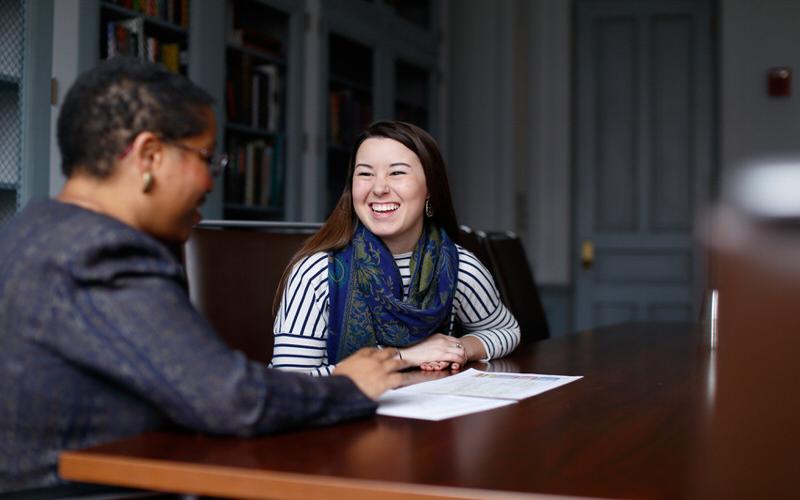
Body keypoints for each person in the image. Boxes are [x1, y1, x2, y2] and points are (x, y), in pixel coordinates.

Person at [0, 58, 407, 494]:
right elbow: (231, 400)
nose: (212, 181)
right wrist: (350, 386)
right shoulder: (100, 253)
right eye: (207, 158)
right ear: (149, 156)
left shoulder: (35, 228)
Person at [270, 121, 520, 376]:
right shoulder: (318, 272)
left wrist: (459, 348)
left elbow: (506, 331)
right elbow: (289, 384)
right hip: (344, 414)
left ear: (429, 188)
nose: (379, 188)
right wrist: (403, 357)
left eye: (397, 173)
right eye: (365, 174)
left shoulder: (458, 266)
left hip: (430, 413)